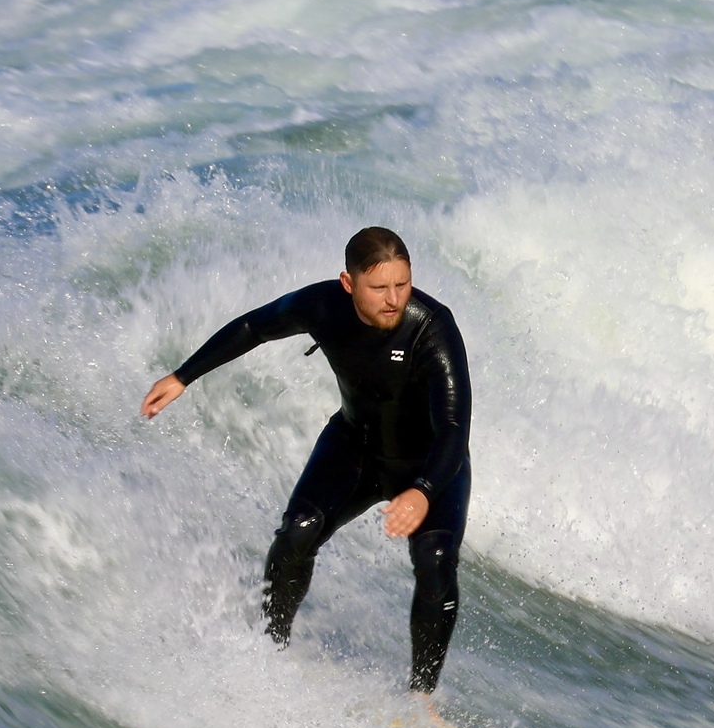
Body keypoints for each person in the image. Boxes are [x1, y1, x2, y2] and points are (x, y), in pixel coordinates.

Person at [140, 227, 471, 696]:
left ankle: (421, 701)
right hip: (355, 445)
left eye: (403, 284)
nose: (394, 298)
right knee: (298, 532)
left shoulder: (432, 328)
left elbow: (456, 429)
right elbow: (255, 326)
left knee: (436, 561)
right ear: (348, 283)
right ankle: (269, 651)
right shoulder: (323, 306)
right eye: (379, 287)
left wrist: (422, 490)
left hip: (431, 462)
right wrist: (183, 376)